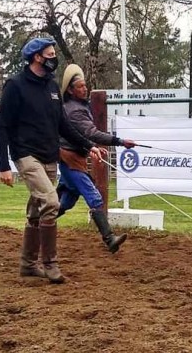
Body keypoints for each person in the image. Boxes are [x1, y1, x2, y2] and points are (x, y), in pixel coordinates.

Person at [0, 37, 103, 284]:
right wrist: (4, 166)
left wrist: (89, 146)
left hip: (49, 156)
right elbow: (1, 127)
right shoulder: (15, 85)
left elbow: (63, 125)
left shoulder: (52, 88)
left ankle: (27, 264)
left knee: (36, 210)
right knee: (51, 202)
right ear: (37, 57)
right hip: (26, 155)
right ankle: (50, 263)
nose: (55, 58)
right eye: (50, 54)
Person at [56, 64, 136, 253]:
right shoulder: (75, 110)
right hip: (71, 160)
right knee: (95, 198)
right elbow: (91, 133)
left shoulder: (74, 107)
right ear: (70, 90)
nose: (85, 89)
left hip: (73, 159)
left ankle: (37, 222)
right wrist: (119, 141)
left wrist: (92, 148)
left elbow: (83, 136)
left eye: (85, 86)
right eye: (80, 86)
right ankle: (109, 239)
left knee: (66, 202)